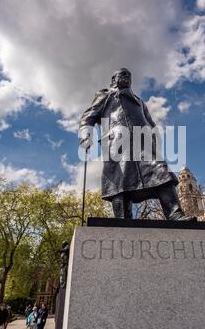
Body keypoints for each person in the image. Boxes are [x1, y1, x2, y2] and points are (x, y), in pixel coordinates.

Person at [79, 68, 192, 220]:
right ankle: (123, 221)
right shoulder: (105, 96)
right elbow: (88, 116)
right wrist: (86, 134)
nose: (126, 76)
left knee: (161, 171)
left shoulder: (139, 101)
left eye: (128, 75)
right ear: (113, 79)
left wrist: (154, 138)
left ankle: (175, 214)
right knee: (120, 184)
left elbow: (150, 122)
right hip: (117, 145)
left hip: (143, 145)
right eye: (122, 74)